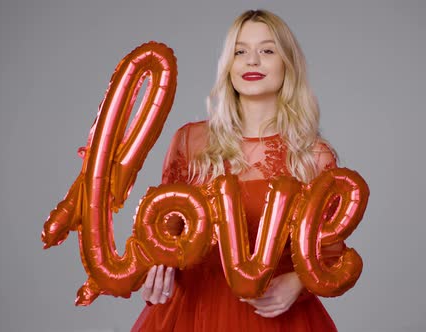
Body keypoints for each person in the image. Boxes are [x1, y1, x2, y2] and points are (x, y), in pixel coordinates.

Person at [132, 9, 347, 331]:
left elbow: (331, 253)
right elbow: (164, 232)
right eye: (240, 51)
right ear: (228, 65)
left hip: (276, 318)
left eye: (267, 51)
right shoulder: (190, 141)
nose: (252, 61)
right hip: (192, 313)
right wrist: (153, 274)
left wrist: (297, 283)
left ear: (287, 63)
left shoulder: (313, 156)